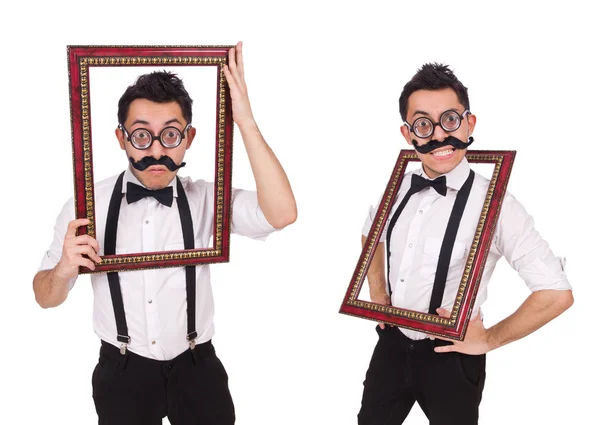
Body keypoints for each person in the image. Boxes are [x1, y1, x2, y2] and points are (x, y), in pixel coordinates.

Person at [33, 42, 297, 425]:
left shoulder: (208, 198)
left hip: (198, 368)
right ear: (122, 138)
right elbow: (44, 297)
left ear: (189, 138)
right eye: (142, 135)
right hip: (121, 373)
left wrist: (245, 122)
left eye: (170, 135)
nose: (156, 150)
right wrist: (63, 270)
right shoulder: (85, 205)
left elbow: (283, 213)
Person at [357, 63, 573, 425]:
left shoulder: (498, 204)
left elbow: (556, 292)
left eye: (450, 120)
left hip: (452, 357)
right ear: (408, 133)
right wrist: (379, 292)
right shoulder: (396, 188)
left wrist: (488, 339)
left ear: (469, 124)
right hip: (391, 345)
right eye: (424, 124)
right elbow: (371, 233)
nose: (439, 135)